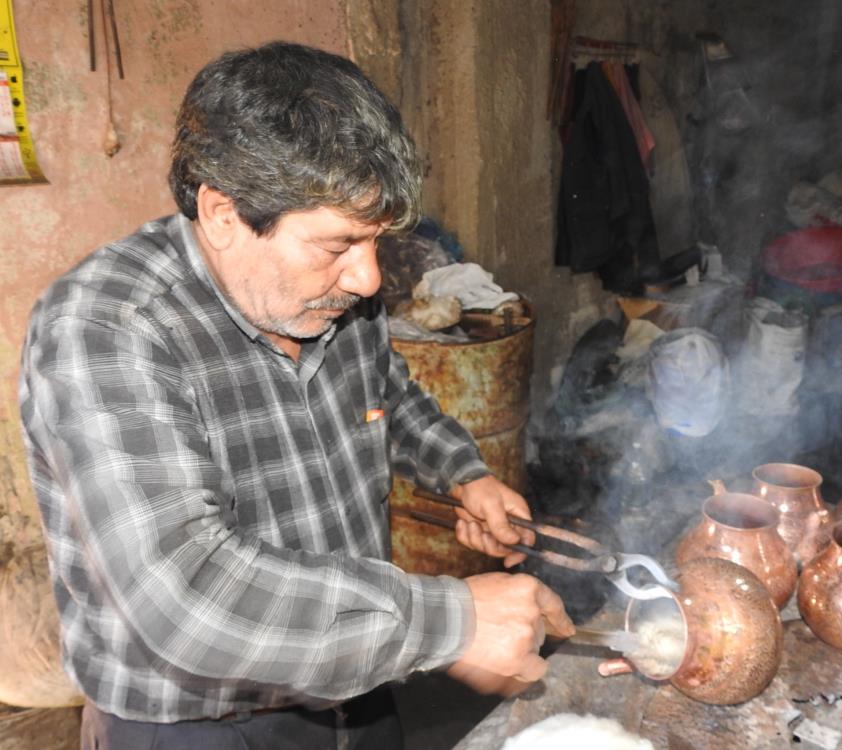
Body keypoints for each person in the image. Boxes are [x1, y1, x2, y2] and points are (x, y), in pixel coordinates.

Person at [19, 41, 574, 750]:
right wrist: (450, 621)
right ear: (223, 213)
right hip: (201, 725)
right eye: (337, 245)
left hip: (356, 682)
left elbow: (387, 395)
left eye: (376, 243)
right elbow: (185, 595)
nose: (369, 279)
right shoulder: (106, 329)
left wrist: (463, 475)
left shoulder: (332, 297)